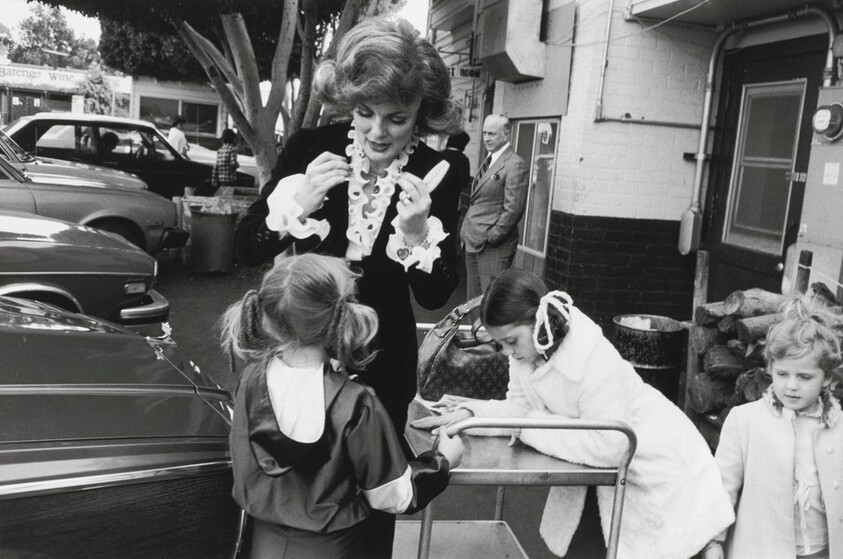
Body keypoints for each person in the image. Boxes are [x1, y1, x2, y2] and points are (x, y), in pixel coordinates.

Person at [234, 17, 463, 557]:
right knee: (288, 481)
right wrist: (298, 204)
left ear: (421, 116)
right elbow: (245, 246)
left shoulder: (440, 171)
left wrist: (414, 236)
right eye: (364, 113)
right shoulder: (310, 149)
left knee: (376, 495)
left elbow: (435, 296)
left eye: (397, 118)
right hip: (301, 347)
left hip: (384, 361)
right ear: (349, 103)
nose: (377, 132)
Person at [412, 268, 735, 559]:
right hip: (603, 470)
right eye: (500, 345)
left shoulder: (592, 357)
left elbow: (612, 445)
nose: (507, 353)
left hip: (657, 463)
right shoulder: (530, 349)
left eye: (511, 341)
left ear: (537, 321)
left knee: (660, 545)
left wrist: (530, 426)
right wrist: (470, 416)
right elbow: (519, 408)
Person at [223, 253, 463, 559]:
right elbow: (393, 495)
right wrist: (441, 461)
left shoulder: (251, 380)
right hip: (332, 548)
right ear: (340, 318)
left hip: (262, 543)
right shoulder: (356, 404)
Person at [704, 297, 843, 559]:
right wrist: (714, 542)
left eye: (804, 377)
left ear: (826, 379)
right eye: (782, 374)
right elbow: (722, 488)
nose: (791, 385)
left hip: (824, 551)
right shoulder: (745, 421)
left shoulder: (838, 426)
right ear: (770, 368)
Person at [459, 114, 528, 302]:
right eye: (484, 133)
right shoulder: (489, 160)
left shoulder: (515, 165)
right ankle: (475, 332)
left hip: (492, 246)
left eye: (492, 134)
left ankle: (487, 333)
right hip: (473, 240)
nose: (486, 138)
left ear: (506, 134)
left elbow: (513, 208)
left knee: (490, 300)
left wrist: (493, 237)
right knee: (472, 301)